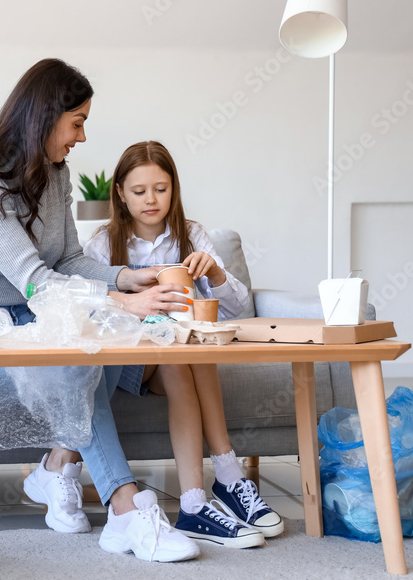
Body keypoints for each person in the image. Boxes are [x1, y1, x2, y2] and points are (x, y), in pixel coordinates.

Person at [0, 58, 200, 562]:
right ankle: (124, 506)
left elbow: (70, 261)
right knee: (80, 360)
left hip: (31, 320)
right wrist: (124, 302)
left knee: (106, 352)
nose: (82, 136)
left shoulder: (56, 174)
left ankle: (58, 469)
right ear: (43, 117)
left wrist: (125, 277)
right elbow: (37, 282)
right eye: (77, 122)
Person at [83, 140, 283, 547]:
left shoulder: (192, 236)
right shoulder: (103, 245)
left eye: (161, 188)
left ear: (174, 189)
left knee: (190, 351)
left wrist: (218, 276)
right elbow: (88, 309)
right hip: (129, 361)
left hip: (178, 353)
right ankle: (214, 488)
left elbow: (240, 310)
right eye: (139, 191)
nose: (151, 199)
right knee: (180, 355)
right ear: (120, 193)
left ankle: (212, 491)